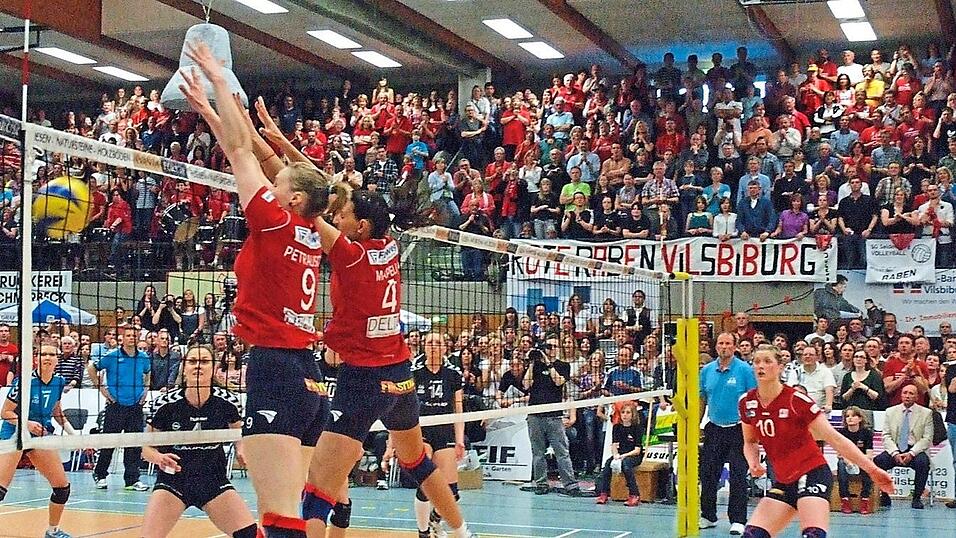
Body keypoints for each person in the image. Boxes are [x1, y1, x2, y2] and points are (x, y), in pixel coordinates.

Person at [178, 43, 333, 536]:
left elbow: (243, 151)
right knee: (291, 510)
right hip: (306, 376)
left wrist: (218, 78)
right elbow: (240, 150)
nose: (272, 180)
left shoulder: (273, 222)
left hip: (275, 369)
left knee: (280, 515)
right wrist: (206, 111)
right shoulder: (311, 233)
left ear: (293, 197)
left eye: (279, 179)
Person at [306, 187, 474, 538]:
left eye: (345, 215)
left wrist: (267, 150)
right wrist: (337, 187)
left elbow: (306, 207)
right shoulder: (389, 245)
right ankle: (462, 533)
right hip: (399, 374)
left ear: (362, 226)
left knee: (318, 489)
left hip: (363, 378)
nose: (337, 218)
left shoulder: (351, 256)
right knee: (417, 462)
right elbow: (334, 200)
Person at [739, 344, 893, 538]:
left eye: (767, 361)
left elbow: (835, 438)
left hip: (812, 474)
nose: (761, 366)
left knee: (812, 534)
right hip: (785, 480)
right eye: (757, 362)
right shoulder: (747, 402)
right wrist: (753, 462)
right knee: (752, 535)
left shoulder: (796, 400)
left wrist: (872, 469)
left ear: (780, 367)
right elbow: (750, 441)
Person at [140, 345, 256, 538]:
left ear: (213, 368)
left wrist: (241, 450)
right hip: (174, 482)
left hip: (213, 480)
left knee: (249, 533)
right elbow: (146, 448)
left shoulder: (228, 401)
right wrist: (159, 457)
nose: (198, 366)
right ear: (184, 367)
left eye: (204, 362)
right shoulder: (165, 404)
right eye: (192, 362)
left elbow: (239, 435)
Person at [0, 344, 76, 538]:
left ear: (58, 359)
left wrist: (74, 435)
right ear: (36, 358)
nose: (47, 357)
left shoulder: (59, 382)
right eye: (43, 354)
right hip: (15, 434)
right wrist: (26, 424)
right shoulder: (24, 381)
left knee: (62, 488)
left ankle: (52, 531)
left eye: (52, 354)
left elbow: (57, 412)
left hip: (39, 436)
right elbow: (5, 412)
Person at [404, 333, 465, 538]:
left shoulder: (453, 375)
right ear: (424, 347)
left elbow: (459, 409)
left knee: (453, 492)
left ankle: (435, 521)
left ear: (445, 348)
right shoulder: (414, 373)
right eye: (429, 343)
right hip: (421, 432)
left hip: (445, 431)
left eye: (438, 343)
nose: (433, 346)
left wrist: (459, 440)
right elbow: (402, 407)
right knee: (426, 482)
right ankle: (422, 532)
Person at [699, 333, 756, 534]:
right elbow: (702, 399)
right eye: (721, 343)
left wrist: (753, 430)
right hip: (714, 428)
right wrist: (697, 426)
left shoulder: (745, 370)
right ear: (716, 347)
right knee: (707, 474)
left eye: (728, 344)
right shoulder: (706, 371)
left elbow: (753, 401)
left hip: (739, 429)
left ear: (735, 347)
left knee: (738, 476)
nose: (724, 347)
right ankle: (708, 515)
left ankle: (738, 520)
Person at [86, 325, 151, 491]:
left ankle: (132, 479)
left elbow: (148, 373)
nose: (132, 338)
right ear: (123, 337)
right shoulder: (112, 356)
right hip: (116, 406)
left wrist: (145, 390)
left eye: (134, 336)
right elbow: (92, 367)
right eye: (129, 335)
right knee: (109, 443)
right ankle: (100, 475)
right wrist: (101, 389)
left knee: (134, 445)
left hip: (135, 406)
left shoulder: (143, 357)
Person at [521, 346, 584, 496]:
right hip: (535, 415)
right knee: (538, 452)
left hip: (554, 416)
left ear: (557, 348)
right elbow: (526, 384)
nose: (548, 349)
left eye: (552, 346)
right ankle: (541, 483)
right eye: (546, 346)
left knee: (561, 452)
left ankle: (570, 484)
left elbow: (559, 382)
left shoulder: (563, 365)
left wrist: (548, 363)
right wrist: (532, 362)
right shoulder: (535, 366)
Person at [873, 384, 935, 509]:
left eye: (911, 393)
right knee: (878, 461)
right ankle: (884, 495)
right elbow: (886, 435)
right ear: (901, 395)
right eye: (905, 393)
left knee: (923, 462)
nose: (907, 396)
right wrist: (895, 452)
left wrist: (911, 453)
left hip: (914, 450)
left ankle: (916, 498)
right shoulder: (890, 411)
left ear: (917, 397)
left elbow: (927, 438)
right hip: (895, 449)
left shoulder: (926, 413)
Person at [594, 401, 644, 506]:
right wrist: (616, 455)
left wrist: (623, 456)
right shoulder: (617, 427)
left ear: (633, 414)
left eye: (628, 412)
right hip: (620, 454)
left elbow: (637, 450)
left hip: (633, 455)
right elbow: (614, 445)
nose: (625, 415)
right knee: (607, 464)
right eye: (623, 412)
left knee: (626, 465)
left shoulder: (637, 428)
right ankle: (604, 493)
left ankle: (634, 495)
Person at [836, 406, 875, 514]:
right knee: (841, 465)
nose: (850, 418)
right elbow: (839, 454)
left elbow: (869, 455)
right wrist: (849, 462)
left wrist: (858, 461)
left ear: (860, 418)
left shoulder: (867, 433)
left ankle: (865, 499)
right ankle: (845, 499)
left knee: (869, 466)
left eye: (853, 416)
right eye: (847, 416)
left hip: (861, 460)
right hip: (846, 460)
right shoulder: (841, 433)